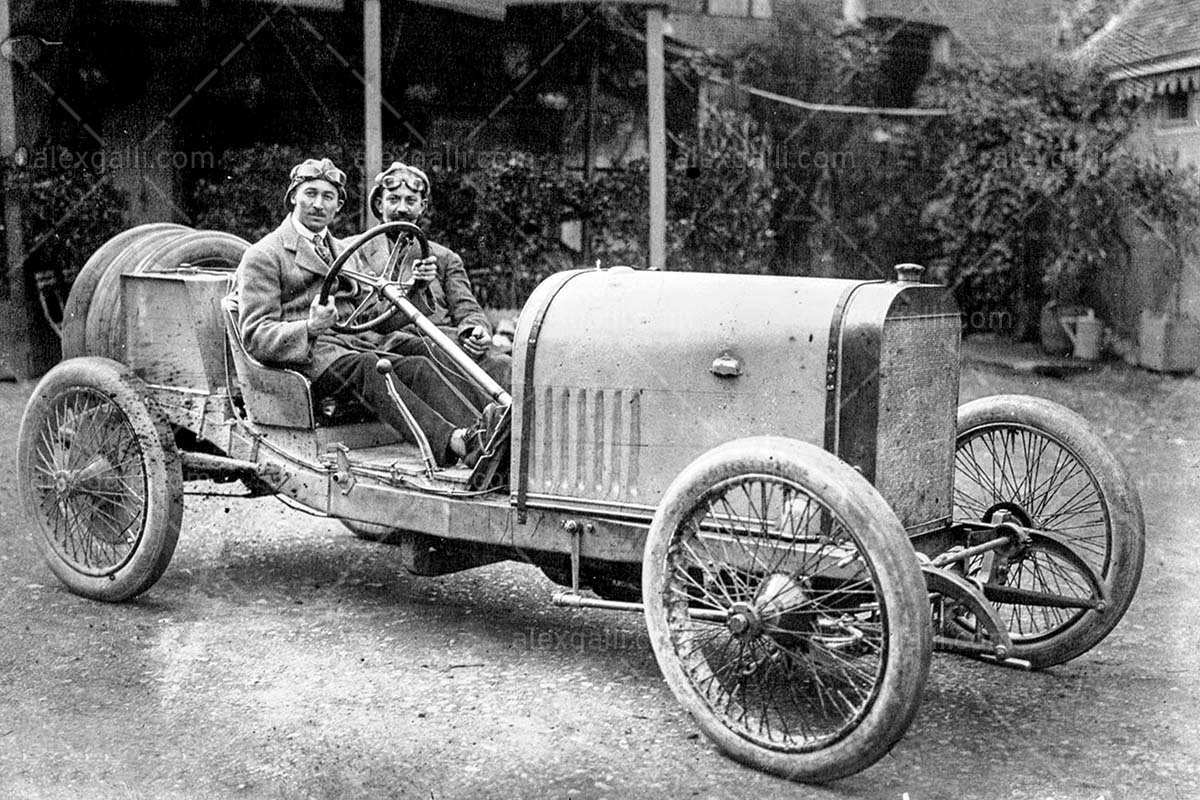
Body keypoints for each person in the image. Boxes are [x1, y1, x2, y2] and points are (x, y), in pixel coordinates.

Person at [231, 157, 500, 468]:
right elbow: (254, 336)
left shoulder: (342, 252)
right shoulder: (264, 254)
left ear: (338, 207)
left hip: (351, 350)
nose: (318, 204)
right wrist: (309, 328)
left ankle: (487, 439)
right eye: (310, 193)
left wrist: (415, 288)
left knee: (417, 366)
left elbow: (376, 319)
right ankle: (456, 442)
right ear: (293, 196)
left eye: (328, 197)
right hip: (305, 361)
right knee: (371, 367)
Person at [358, 161, 512, 407]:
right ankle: (487, 429)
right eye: (393, 199)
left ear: (422, 206)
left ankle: (514, 430)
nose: (401, 209)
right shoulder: (354, 251)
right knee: (439, 352)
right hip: (390, 344)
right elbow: (360, 319)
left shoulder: (443, 258)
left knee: (503, 364)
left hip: (447, 341)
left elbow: (468, 309)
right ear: (379, 204)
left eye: (410, 201)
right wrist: (414, 289)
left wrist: (475, 331)